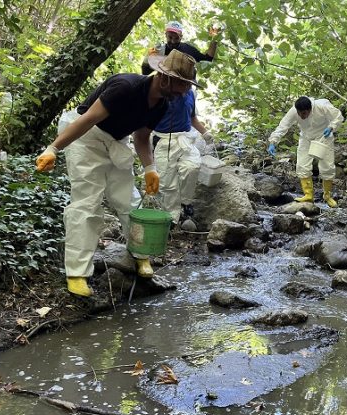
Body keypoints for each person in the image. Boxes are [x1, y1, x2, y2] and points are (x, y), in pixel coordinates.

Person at [35, 49, 200, 297]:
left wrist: (150, 169)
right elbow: (88, 119)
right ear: (165, 77)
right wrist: (54, 147)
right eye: (181, 85)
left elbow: (142, 136)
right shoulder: (125, 87)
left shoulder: (163, 104)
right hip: (86, 139)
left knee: (130, 202)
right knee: (87, 204)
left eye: (187, 86)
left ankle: (140, 254)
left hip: (116, 141)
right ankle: (77, 273)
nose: (184, 92)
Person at [268, 96, 344, 208]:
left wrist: (331, 127)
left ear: (310, 110)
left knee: (327, 165)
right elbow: (283, 126)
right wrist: (273, 142)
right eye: (299, 113)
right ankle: (308, 195)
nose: (301, 116)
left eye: (304, 113)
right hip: (306, 137)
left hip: (323, 136)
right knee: (302, 164)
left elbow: (338, 116)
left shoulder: (322, 107)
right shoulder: (294, 111)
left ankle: (327, 196)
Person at [152, 87, 210, 226]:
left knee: (192, 168)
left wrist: (205, 132)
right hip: (163, 140)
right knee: (167, 182)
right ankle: (171, 217)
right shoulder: (161, 92)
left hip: (185, 138)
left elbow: (192, 117)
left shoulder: (191, 93)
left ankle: (185, 202)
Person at [141, 21, 220, 74]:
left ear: (181, 37)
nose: (173, 41)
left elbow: (207, 60)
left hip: (183, 89)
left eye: (176, 38)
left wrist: (215, 39)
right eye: (170, 37)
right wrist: (148, 58)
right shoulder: (160, 50)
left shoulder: (189, 49)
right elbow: (145, 72)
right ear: (165, 35)